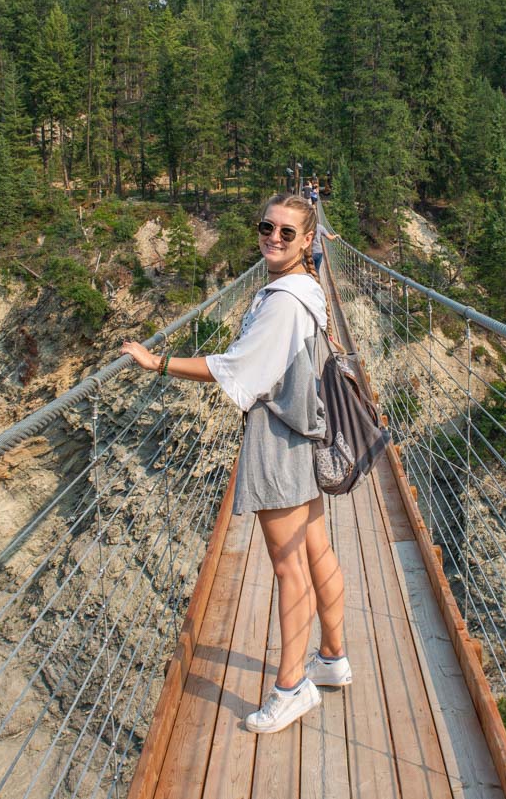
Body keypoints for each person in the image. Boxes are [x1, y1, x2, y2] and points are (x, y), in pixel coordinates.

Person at [120, 194, 351, 734]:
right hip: (304, 433)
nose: (273, 237)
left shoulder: (284, 302)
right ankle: (334, 659)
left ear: (308, 241)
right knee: (316, 550)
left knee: (289, 567)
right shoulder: (305, 289)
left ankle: (292, 688)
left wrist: (158, 363)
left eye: (287, 232)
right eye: (266, 227)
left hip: (277, 441)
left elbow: (237, 369)